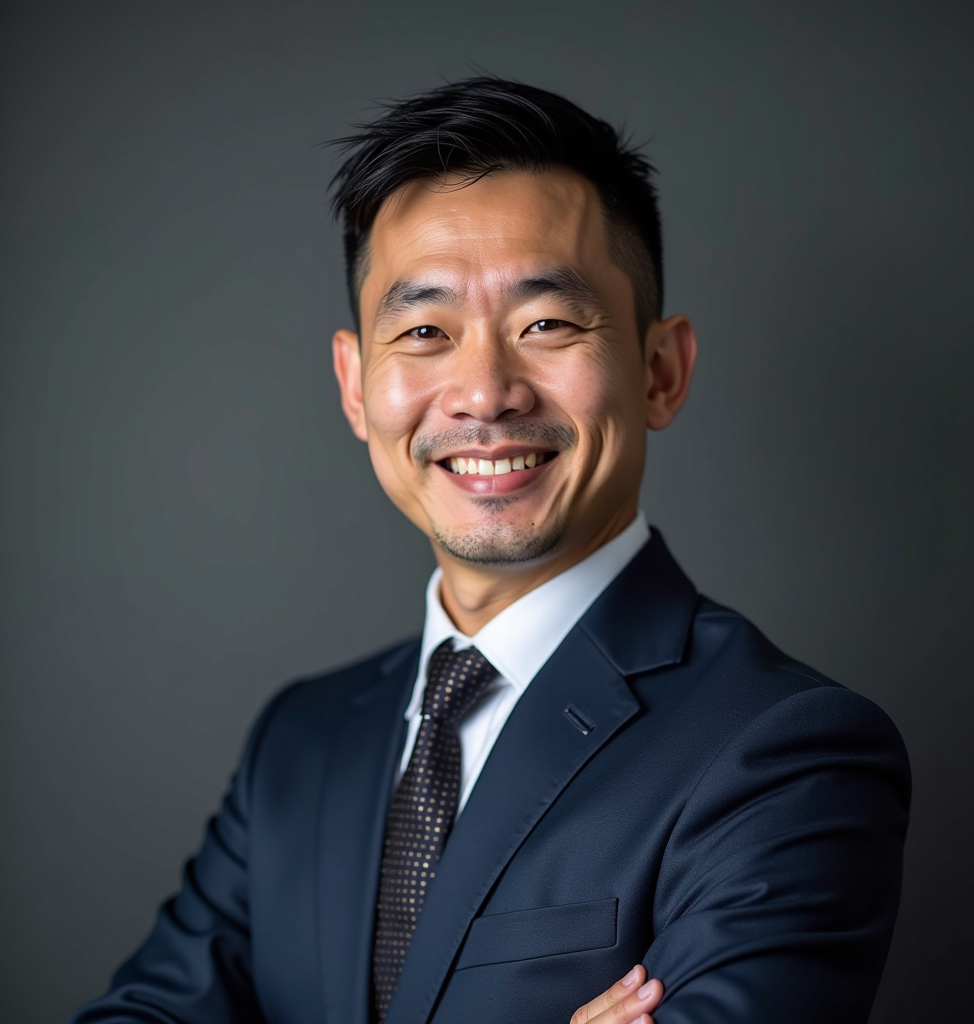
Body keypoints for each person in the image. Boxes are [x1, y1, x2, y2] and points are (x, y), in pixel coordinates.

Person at [70, 77, 911, 1024]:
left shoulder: (784, 751)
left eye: (546, 323)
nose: (484, 392)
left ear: (660, 371)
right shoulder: (301, 743)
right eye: (424, 330)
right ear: (355, 384)